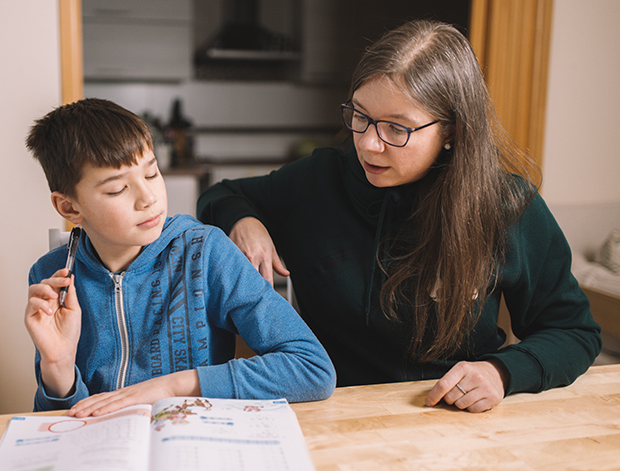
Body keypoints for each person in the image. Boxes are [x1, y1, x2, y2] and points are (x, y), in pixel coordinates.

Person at [197, 19, 602, 413]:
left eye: (397, 128)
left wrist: (502, 371)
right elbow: (222, 194)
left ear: (452, 131)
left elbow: (573, 331)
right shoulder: (319, 179)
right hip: (332, 412)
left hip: (448, 418)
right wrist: (243, 222)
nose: (370, 144)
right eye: (360, 116)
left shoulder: (507, 205)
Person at [23, 98, 336, 417]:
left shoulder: (206, 252)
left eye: (152, 173)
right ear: (69, 208)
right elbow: (59, 420)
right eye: (117, 189)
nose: (148, 198)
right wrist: (57, 367)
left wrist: (171, 387)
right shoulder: (52, 276)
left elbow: (311, 368)